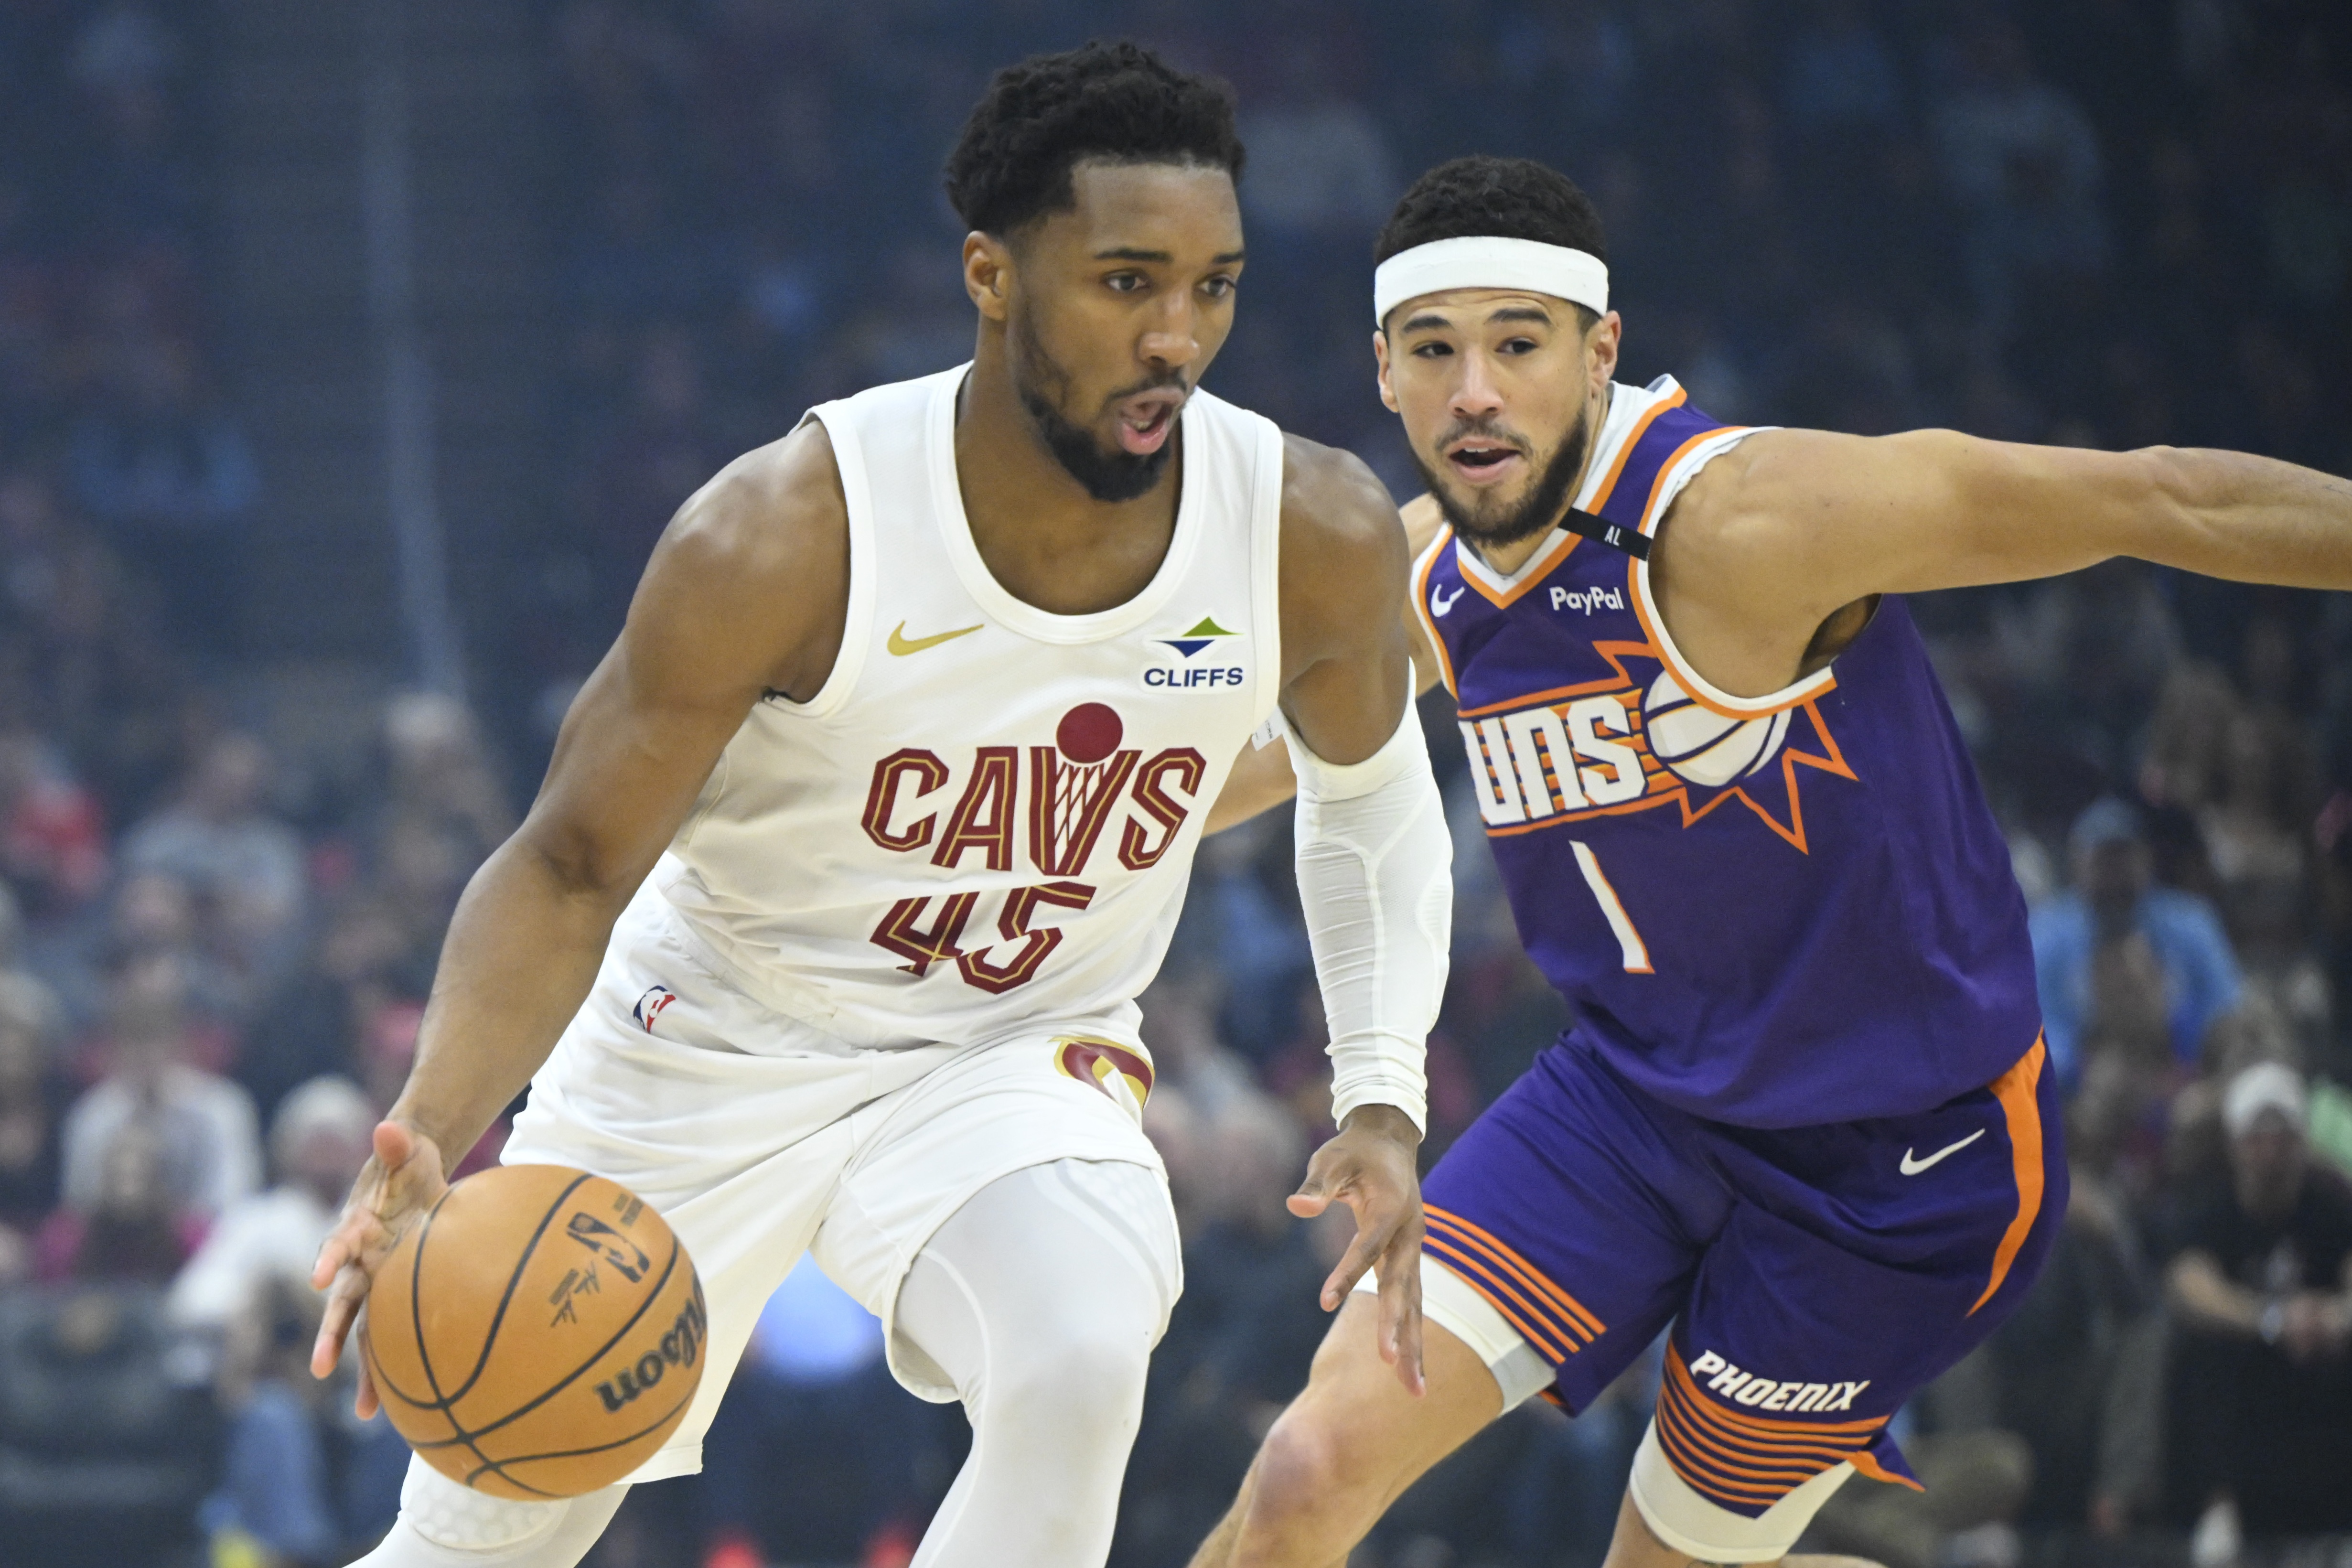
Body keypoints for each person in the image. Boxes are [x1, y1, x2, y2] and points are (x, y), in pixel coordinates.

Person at [311, 43, 1451, 1568]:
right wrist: (427, 1134)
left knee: (1078, 1350)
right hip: (713, 1036)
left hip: (1005, 1046)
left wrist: (1378, 1091)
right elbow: (572, 864)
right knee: (481, 1534)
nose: (1175, 337)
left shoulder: (1308, 527)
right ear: (991, 274)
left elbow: (1362, 799)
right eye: (1125, 283)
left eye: (1212, 288)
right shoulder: (783, 531)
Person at [1190, 154, 2352, 1568]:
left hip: (1897, 1160)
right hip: (1631, 1100)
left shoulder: (1750, 518)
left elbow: (2156, 498)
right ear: (1383, 372)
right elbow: (1234, 762)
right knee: (1304, 1467)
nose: (1473, 391)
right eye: (1433, 350)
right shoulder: (1426, 565)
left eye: (1518, 344)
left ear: (1599, 351)